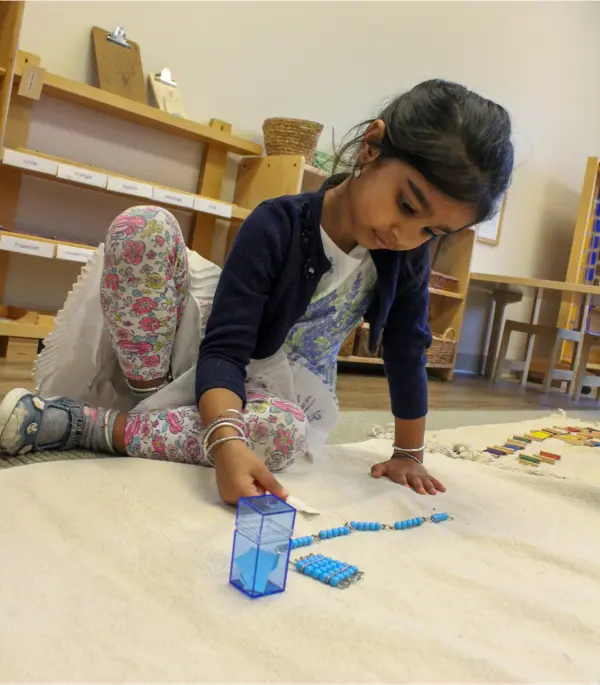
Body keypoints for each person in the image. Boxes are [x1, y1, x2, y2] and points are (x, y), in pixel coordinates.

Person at [0, 79, 513, 505]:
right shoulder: (278, 223)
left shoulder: (405, 258)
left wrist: (409, 454)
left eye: (431, 232)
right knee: (143, 228)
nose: (407, 235)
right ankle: (148, 409)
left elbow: (407, 349)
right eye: (406, 204)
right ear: (371, 147)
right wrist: (223, 440)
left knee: (283, 432)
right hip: (207, 356)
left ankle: (92, 428)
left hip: (276, 396)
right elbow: (224, 347)